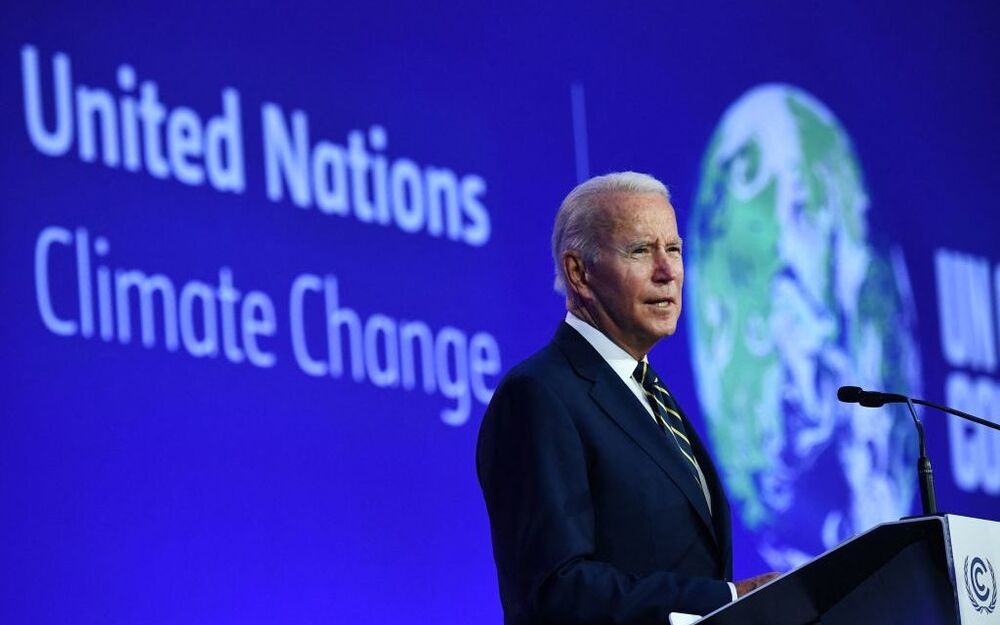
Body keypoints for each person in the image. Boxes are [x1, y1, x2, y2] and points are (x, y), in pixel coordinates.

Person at [476, 172, 778, 624]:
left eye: (673, 249)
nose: (668, 271)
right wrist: (728, 599)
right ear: (579, 273)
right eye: (641, 251)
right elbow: (554, 590)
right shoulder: (541, 395)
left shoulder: (650, 396)